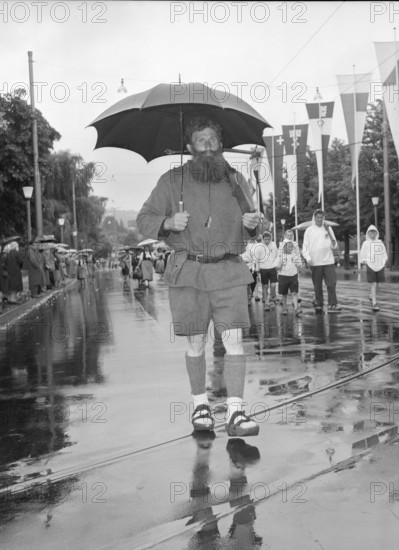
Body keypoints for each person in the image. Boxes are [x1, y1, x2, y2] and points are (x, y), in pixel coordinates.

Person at [137, 117, 261, 437]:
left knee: (234, 341)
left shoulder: (236, 180)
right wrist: (168, 222)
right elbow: (144, 219)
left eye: (213, 140)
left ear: (221, 145)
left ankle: (236, 412)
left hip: (229, 269)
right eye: (200, 141)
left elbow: (255, 225)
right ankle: (200, 405)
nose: (207, 146)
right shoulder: (171, 180)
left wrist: (252, 222)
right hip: (188, 271)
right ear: (190, 147)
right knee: (196, 342)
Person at [302, 209, 342, 314]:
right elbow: (305, 247)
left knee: (332, 284)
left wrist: (330, 233)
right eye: (317, 217)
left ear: (323, 218)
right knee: (317, 285)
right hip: (315, 262)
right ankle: (319, 304)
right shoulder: (309, 230)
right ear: (314, 218)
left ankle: (332, 304)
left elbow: (335, 245)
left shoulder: (328, 229)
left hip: (328, 261)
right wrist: (308, 258)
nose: (319, 219)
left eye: (321, 217)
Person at [359, 225, 388, 311]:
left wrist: (383, 262)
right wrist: (364, 261)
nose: (372, 235)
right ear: (368, 233)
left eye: (374, 233)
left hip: (380, 266)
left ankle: (371, 296)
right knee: (374, 283)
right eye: (370, 233)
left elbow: (384, 254)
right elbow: (362, 254)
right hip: (370, 265)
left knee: (378, 285)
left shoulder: (380, 243)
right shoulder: (365, 243)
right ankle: (374, 303)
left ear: (376, 233)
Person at [276, 229, 304, 316]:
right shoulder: (281, 248)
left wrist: (299, 267)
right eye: (288, 235)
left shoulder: (294, 249)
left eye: (291, 235)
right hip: (283, 275)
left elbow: (298, 260)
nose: (291, 248)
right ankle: (284, 308)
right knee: (284, 294)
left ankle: (296, 309)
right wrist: (278, 266)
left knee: (294, 293)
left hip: (293, 275)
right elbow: (277, 263)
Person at [254, 231, 278, 311]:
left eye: (268, 239)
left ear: (271, 239)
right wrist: (257, 269)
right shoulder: (259, 246)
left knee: (273, 285)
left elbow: (277, 256)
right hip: (263, 269)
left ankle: (272, 298)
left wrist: (276, 264)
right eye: (265, 239)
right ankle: (266, 303)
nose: (267, 241)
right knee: (265, 286)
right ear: (263, 239)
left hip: (272, 268)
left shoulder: (273, 245)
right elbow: (257, 258)